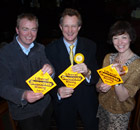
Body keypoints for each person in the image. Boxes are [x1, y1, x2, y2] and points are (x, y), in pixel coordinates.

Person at [45, 8, 99, 130]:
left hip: (87, 100)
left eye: (73, 26)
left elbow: (96, 76)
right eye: (66, 26)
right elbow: (48, 79)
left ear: (79, 27)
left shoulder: (90, 45)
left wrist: (87, 73)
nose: (70, 31)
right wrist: (57, 92)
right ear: (60, 27)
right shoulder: (50, 49)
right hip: (63, 103)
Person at [0, 13, 55, 130]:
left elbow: (50, 68)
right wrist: (23, 95)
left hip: (45, 106)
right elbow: (2, 86)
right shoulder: (5, 53)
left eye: (33, 29)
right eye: (25, 29)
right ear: (17, 30)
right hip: (23, 111)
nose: (30, 34)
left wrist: (50, 69)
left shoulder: (40, 48)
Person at [96, 20, 140, 130]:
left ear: (130, 38)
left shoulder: (137, 64)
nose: (120, 42)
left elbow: (122, 97)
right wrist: (101, 87)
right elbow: (98, 86)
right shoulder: (108, 58)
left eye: (124, 37)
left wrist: (115, 77)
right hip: (103, 107)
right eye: (115, 38)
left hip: (120, 113)